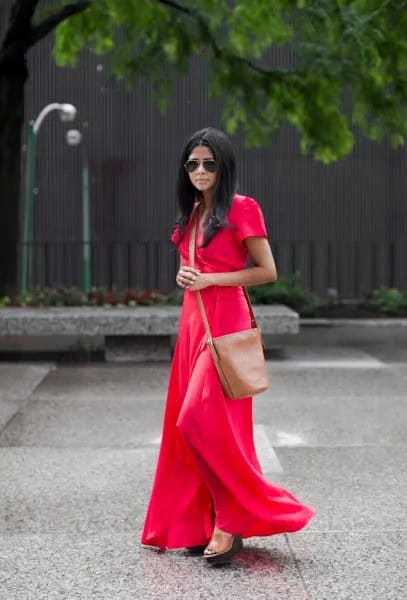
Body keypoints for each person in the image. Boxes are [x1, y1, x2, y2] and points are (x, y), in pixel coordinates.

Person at [141, 127, 316, 565]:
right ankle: (196, 523)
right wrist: (185, 276)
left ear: (224, 166)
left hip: (226, 324)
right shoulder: (192, 214)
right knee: (194, 426)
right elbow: (192, 268)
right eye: (193, 164)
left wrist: (211, 278)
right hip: (193, 325)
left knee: (199, 419)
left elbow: (266, 270)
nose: (200, 171)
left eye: (209, 163)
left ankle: (230, 518)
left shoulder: (242, 208)